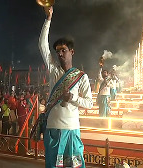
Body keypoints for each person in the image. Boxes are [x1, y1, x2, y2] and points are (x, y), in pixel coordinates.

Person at [38, 7, 93, 168]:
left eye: (63, 50)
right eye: (57, 51)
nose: (60, 54)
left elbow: (89, 103)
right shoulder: (54, 71)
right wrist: (48, 19)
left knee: (75, 166)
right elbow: (42, 46)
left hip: (71, 130)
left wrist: (72, 98)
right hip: (53, 129)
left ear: (72, 52)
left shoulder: (81, 77)